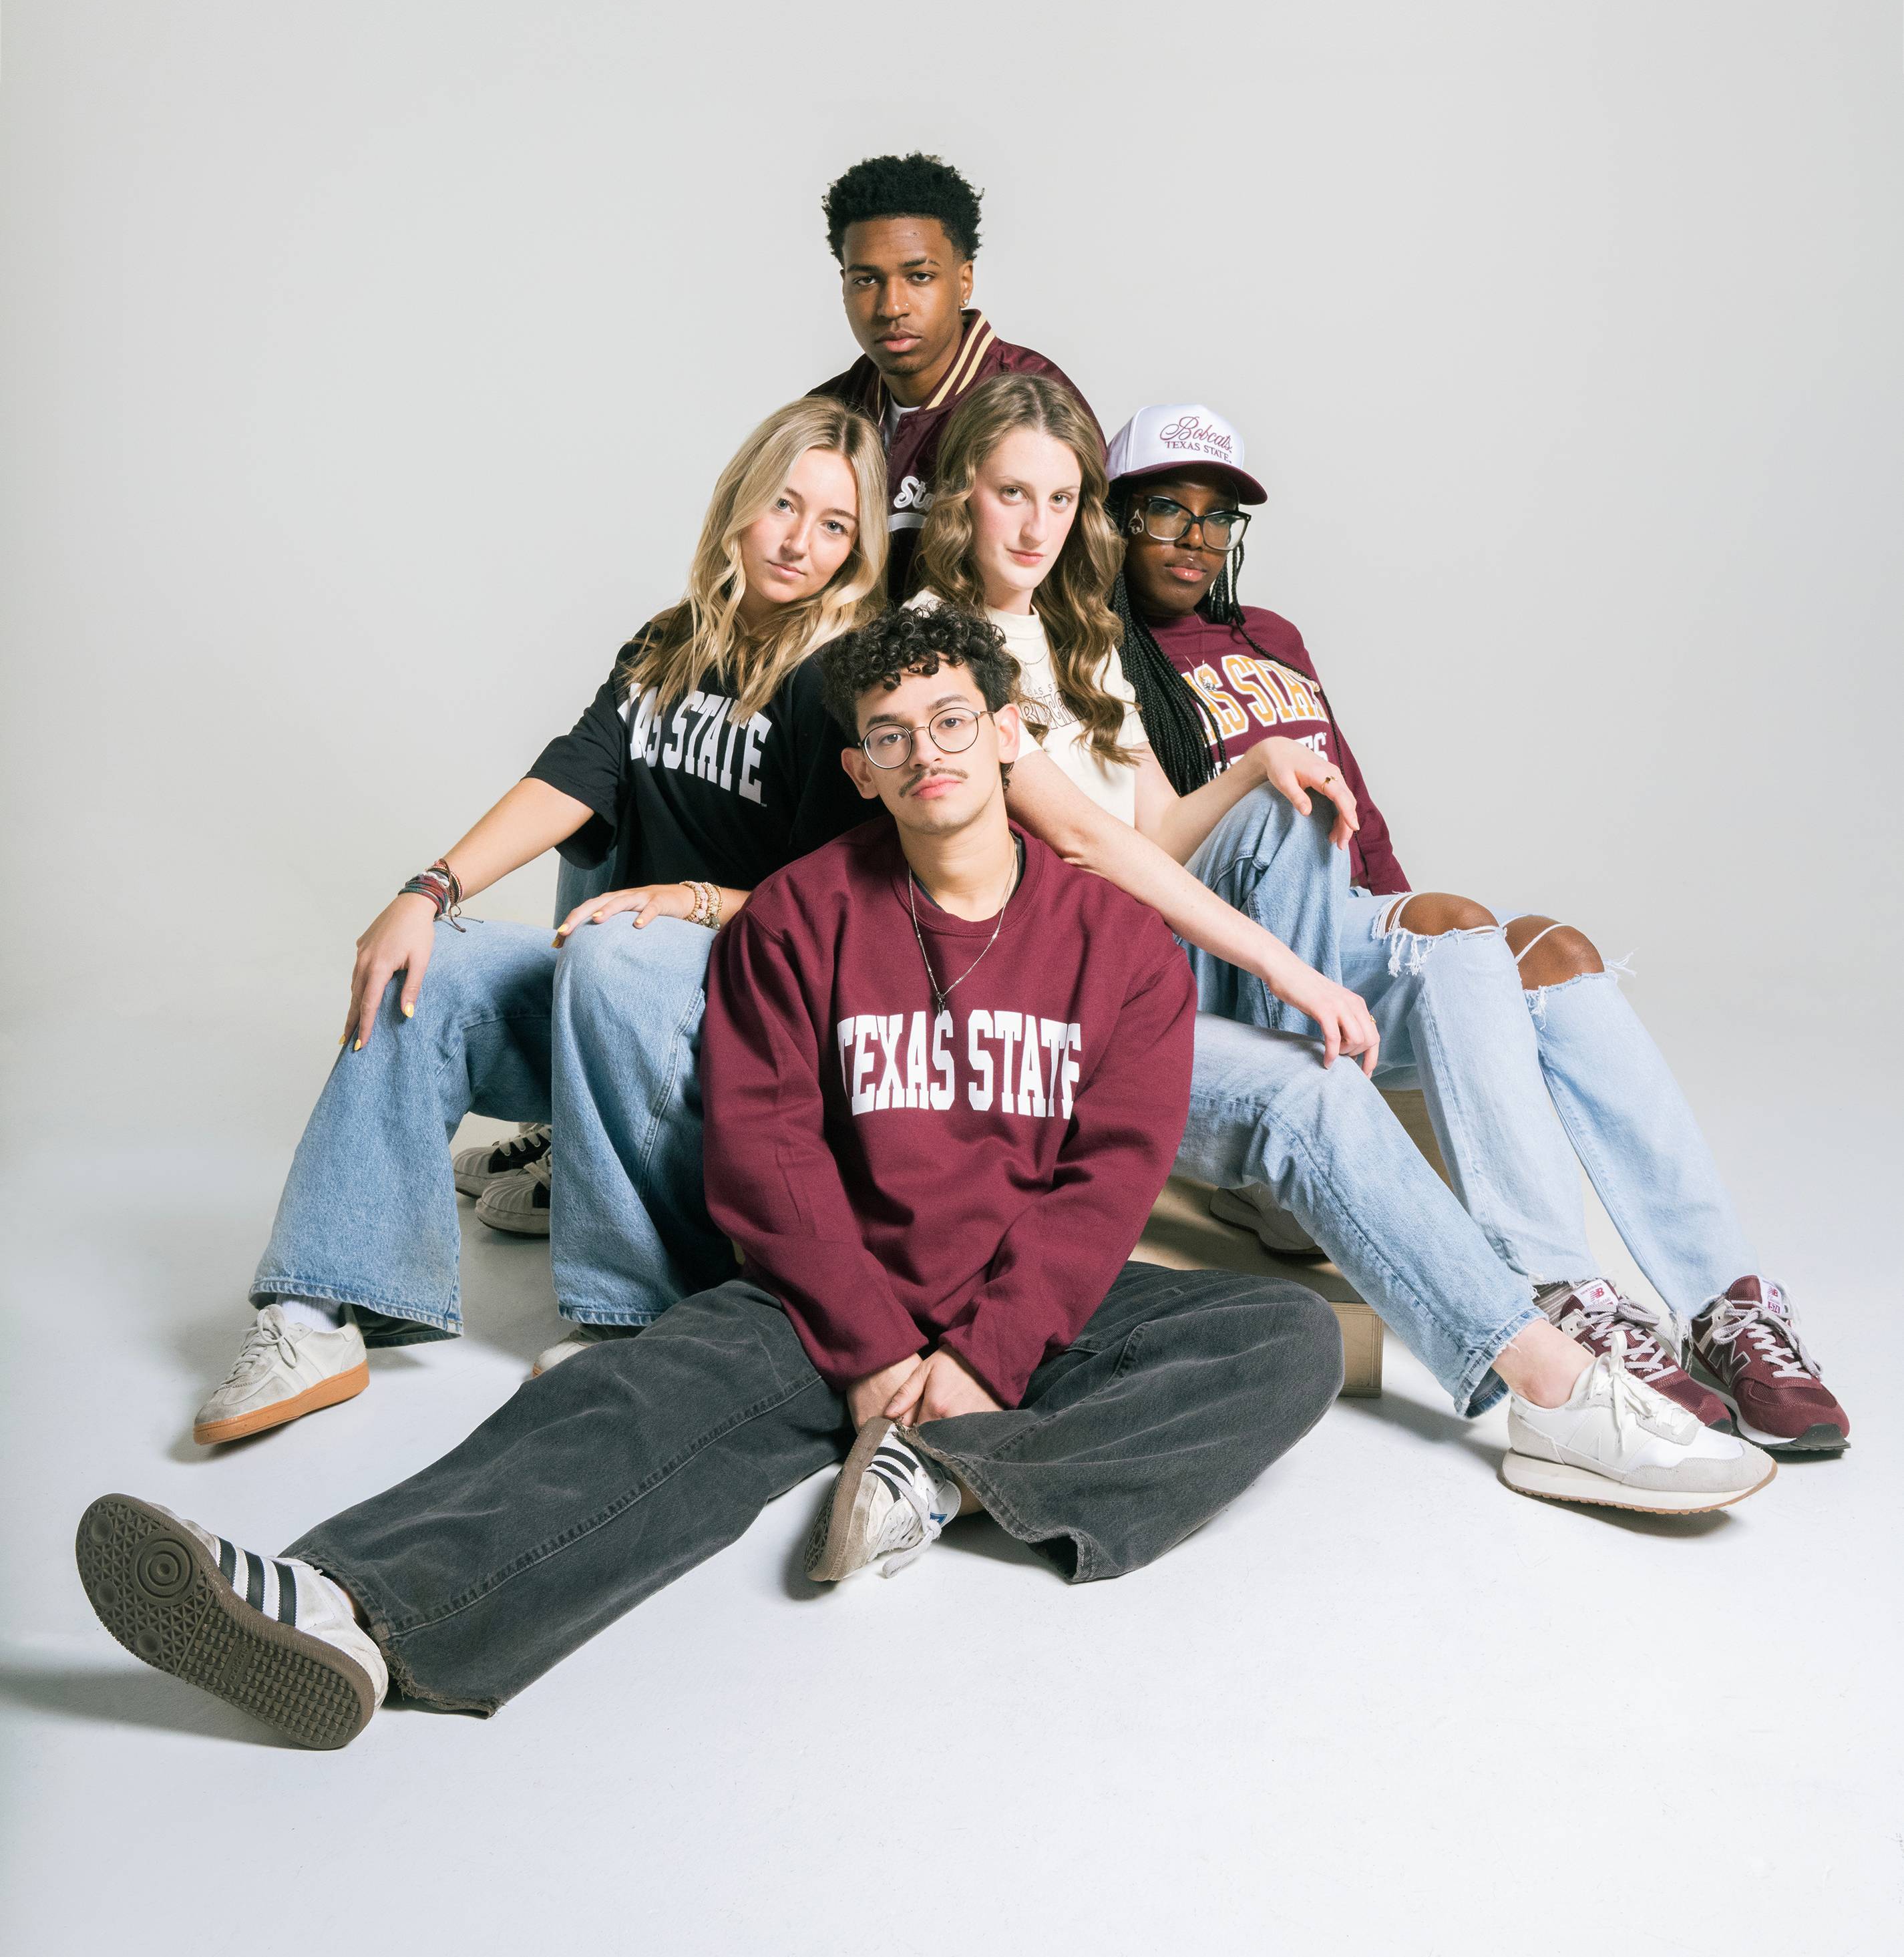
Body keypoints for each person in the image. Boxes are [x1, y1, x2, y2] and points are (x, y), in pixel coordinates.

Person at [73, 610, 1344, 1751]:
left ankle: (943, 1472)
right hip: (825, 1299)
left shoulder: (1120, 945)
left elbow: (1106, 1179)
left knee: (1283, 1339)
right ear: (857, 770)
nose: (928, 754)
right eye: (890, 738)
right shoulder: (800, 914)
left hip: (1027, 1306)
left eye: (954, 720)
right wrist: (863, 1348)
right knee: (617, 1404)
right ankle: (348, 1607)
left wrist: (980, 1361)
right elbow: (766, 1154)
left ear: (1011, 732)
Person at [906, 373, 1780, 1512]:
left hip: (1145, 984)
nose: (1034, 525)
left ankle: (1599, 1348)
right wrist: (1288, 967)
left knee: (1314, 892)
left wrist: (1257, 766)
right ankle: (1559, 1396)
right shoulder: (937, 649)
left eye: (1059, 500)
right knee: (1304, 1089)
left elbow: (1157, 829)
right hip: (1051, 1020)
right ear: (958, 496)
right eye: (1009, 493)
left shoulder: (1078, 638)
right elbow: (1081, 841)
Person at [1102, 399, 1849, 1462]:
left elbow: (1359, 811)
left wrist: (1419, 931)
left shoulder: (1271, 637)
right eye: (1164, 512)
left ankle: (1719, 1304)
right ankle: (1546, 1283)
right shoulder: (1102, 651)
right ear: (1115, 519)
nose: (1193, 539)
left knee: (1539, 949)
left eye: (1216, 518)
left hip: (1336, 924)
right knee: (1294, 805)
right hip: (1227, 957)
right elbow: (1145, 849)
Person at [188, 397, 888, 1447]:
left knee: (615, 942)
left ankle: (639, 1316)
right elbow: (574, 774)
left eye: (834, 524)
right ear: (739, 503)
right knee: (441, 961)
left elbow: (848, 903)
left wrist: (688, 903)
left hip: (749, 1038)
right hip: (619, 1007)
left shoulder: (841, 682)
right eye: (783, 505)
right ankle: (319, 1307)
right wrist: (426, 890)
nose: (799, 540)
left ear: (860, 548)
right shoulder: (668, 643)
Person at [807, 150, 1095, 592]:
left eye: (919, 277)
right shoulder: (826, 412)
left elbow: (1087, 583)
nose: (892, 307)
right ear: (842, 284)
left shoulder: (1036, 401)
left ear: (964, 281)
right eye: (866, 280)